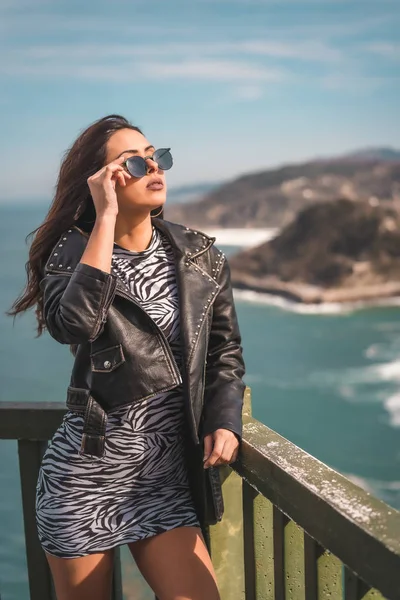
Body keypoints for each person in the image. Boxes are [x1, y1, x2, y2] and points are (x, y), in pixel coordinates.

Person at [7, 114, 246, 600]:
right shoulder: (71, 255)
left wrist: (224, 419)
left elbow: (224, 350)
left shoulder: (199, 256)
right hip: (85, 482)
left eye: (157, 157)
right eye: (133, 163)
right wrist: (106, 217)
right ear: (101, 181)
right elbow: (73, 325)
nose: (153, 168)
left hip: (165, 481)